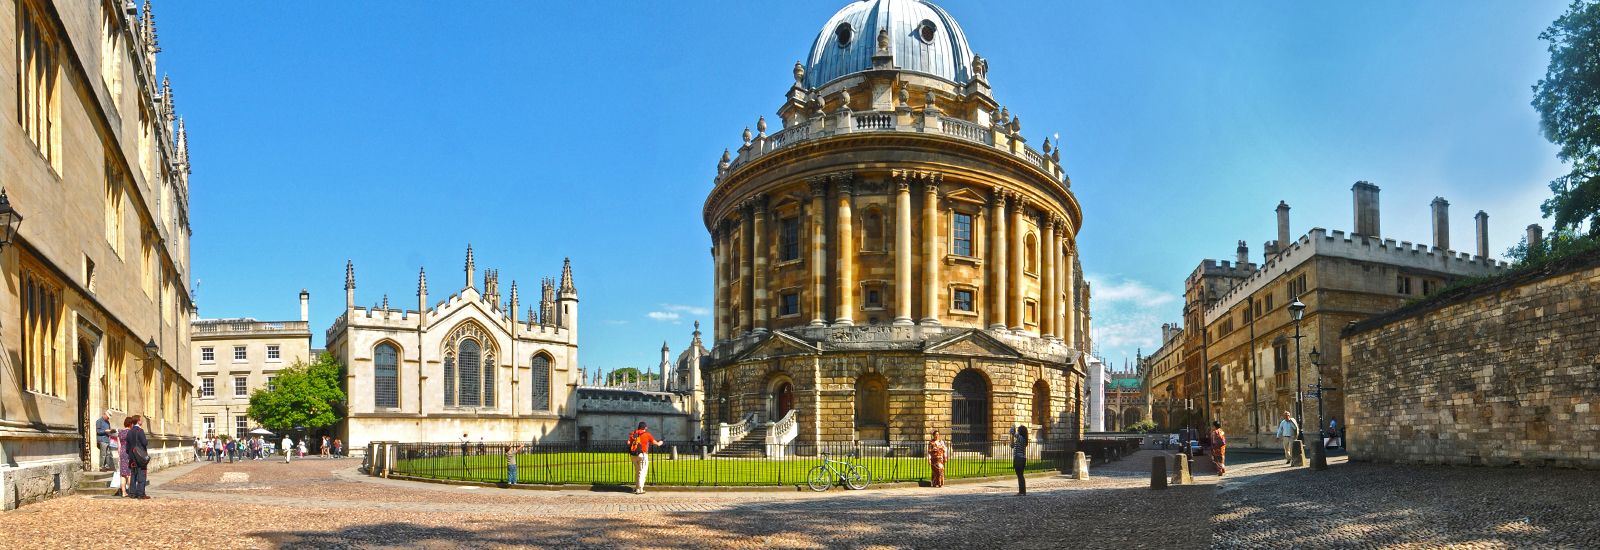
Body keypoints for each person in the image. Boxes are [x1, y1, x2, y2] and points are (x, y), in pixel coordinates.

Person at [627, 422, 663, 494]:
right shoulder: (647, 434)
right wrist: (660, 442)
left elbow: (628, 443)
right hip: (642, 455)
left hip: (633, 455)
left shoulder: (633, 433)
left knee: (637, 472)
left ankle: (637, 487)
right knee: (642, 472)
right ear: (645, 428)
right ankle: (640, 489)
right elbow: (656, 443)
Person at [125, 415, 150, 500]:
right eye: (141, 420)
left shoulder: (130, 431)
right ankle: (141, 493)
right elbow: (144, 443)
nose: (141, 421)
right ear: (138, 421)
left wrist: (130, 454)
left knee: (133, 475)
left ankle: (132, 493)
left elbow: (127, 446)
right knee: (141, 474)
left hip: (132, 456)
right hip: (140, 456)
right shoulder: (140, 430)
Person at [116, 417, 134, 497]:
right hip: (129, 452)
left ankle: (123, 492)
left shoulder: (120, 432)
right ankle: (131, 491)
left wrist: (119, 456)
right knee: (130, 473)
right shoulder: (131, 432)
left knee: (123, 474)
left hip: (122, 452)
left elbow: (119, 446)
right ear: (130, 424)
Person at [1011, 426, 1029, 495]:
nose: (1018, 431)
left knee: (1020, 475)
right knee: (1020, 475)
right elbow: (1012, 445)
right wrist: (1012, 435)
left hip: (1019, 458)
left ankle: (1022, 491)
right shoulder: (1021, 439)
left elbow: (1015, 434)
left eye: (1018, 430)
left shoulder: (1021, 438)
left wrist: (1013, 430)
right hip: (1019, 458)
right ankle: (1022, 491)